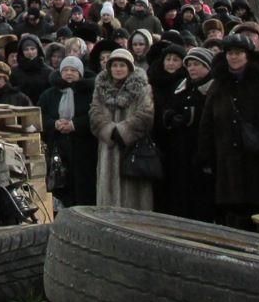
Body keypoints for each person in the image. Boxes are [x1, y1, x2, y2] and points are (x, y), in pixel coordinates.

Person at [198, 34, 259, 230]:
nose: (233, 57)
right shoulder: (219, 83)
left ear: (248, 55)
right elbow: (208, 121)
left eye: (238, 53)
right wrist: (206, 155)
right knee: (233, 212)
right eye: (230, 53)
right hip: (227, 158)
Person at [89, 49, 154, 210]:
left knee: (134, 201)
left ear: (130, 67)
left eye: (122, 65)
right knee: (108, 200)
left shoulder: (143, 88)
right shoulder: (100, 88)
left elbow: (146, 114)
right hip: (108, 147)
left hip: (133, 150)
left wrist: (124, 131)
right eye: (115, 65)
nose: (118, 69)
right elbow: (94, 113)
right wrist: (109, 131)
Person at [160, 47, 216, 221]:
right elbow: (169, 107)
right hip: (179, 149)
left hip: (201, 150)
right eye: (189, 64)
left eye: (197, 64)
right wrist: (170, 116)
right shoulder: (182, 86)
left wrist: (193, 116)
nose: (192, 68)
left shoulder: (213, 88)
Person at [38, 56, 98, 207]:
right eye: (65, 70)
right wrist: (54, 124)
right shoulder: (49, 94)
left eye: (73, 70)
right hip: (58, 149)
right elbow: (40, 116)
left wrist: (75, 124)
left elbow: (96, 116)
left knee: (85, 189)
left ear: (80, 73)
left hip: (85, 149)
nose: (69, 73)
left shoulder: (91, 92)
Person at [147, 43, 188, 214]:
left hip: (180, 143)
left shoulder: (186, 83)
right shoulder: (153, 81)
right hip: (156, 140)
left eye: (176, 60)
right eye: (168, 59)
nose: (171, 63)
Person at [10, 34, 53, 104]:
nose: (30, 52)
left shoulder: (48, 71)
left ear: (38, 49)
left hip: (43, 109)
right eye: (26, 49)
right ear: (22, 52)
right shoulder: (14, 71)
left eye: (33, 49)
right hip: (21, 109)